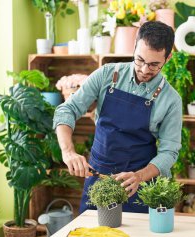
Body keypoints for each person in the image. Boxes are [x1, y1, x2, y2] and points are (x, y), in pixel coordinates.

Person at [53, 21, 182, 213]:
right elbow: (67, 110)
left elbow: (169, 152)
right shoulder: (107, 75)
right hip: (98, 179)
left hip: (138, 186)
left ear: (168, 58)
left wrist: (139, 176)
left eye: (154, 64)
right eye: (140, 60)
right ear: (134, 46)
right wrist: (68, 151)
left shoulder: (171, 99)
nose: (145, 70)